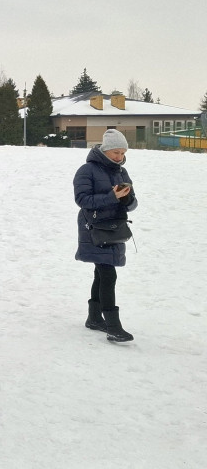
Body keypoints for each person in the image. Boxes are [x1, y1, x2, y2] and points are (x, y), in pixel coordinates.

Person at [73, 129, 137, 343]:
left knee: (101, 274)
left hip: (115, 228)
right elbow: (83, 200)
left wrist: (126, 199)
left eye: (123, 153)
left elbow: (134, 203)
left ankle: (94, 318)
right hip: (95, 228)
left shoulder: (121, 172)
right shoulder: (86, 170)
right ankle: (113, 326)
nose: (120, 157)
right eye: (116, 153)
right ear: (105, 150)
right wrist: (111, 196)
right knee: (108, 274)